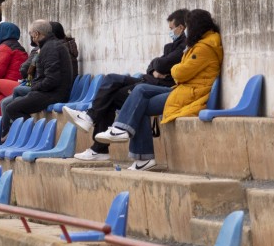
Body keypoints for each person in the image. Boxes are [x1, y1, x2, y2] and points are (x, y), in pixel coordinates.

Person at [95, 9, 223, 171]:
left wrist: (175, 69)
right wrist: (177, 69)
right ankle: (136, 149)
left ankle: (133, 143)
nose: (187, 31)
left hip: (192, 95)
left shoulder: (204, 48)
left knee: (141, 99)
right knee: (140, 91)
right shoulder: (200, 44)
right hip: (184, 90)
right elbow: (178, 70)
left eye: (189, 26)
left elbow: (180, 72)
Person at [64, 9, 189, 160]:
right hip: (148, 80)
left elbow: (163, 64)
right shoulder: (171, 46)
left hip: (157, 88)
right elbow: (153, 66)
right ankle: (90, 119)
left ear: (181, 28)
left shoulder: (185, 46)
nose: (170, 32)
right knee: (110, 79)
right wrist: (156, 67)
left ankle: (98, 146)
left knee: (109, 98)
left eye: (171, 29)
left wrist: (158, 67)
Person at [0, 20, 75, 137]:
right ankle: (27, 135)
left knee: (12, 108)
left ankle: (35, 136)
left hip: (53, 94)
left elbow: (51, 80)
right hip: (49, 91)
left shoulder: (51, 48)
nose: (31, 37)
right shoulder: (51, 46)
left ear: (37, 34)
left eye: (31, 34)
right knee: (11, 105)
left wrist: (35, 87)